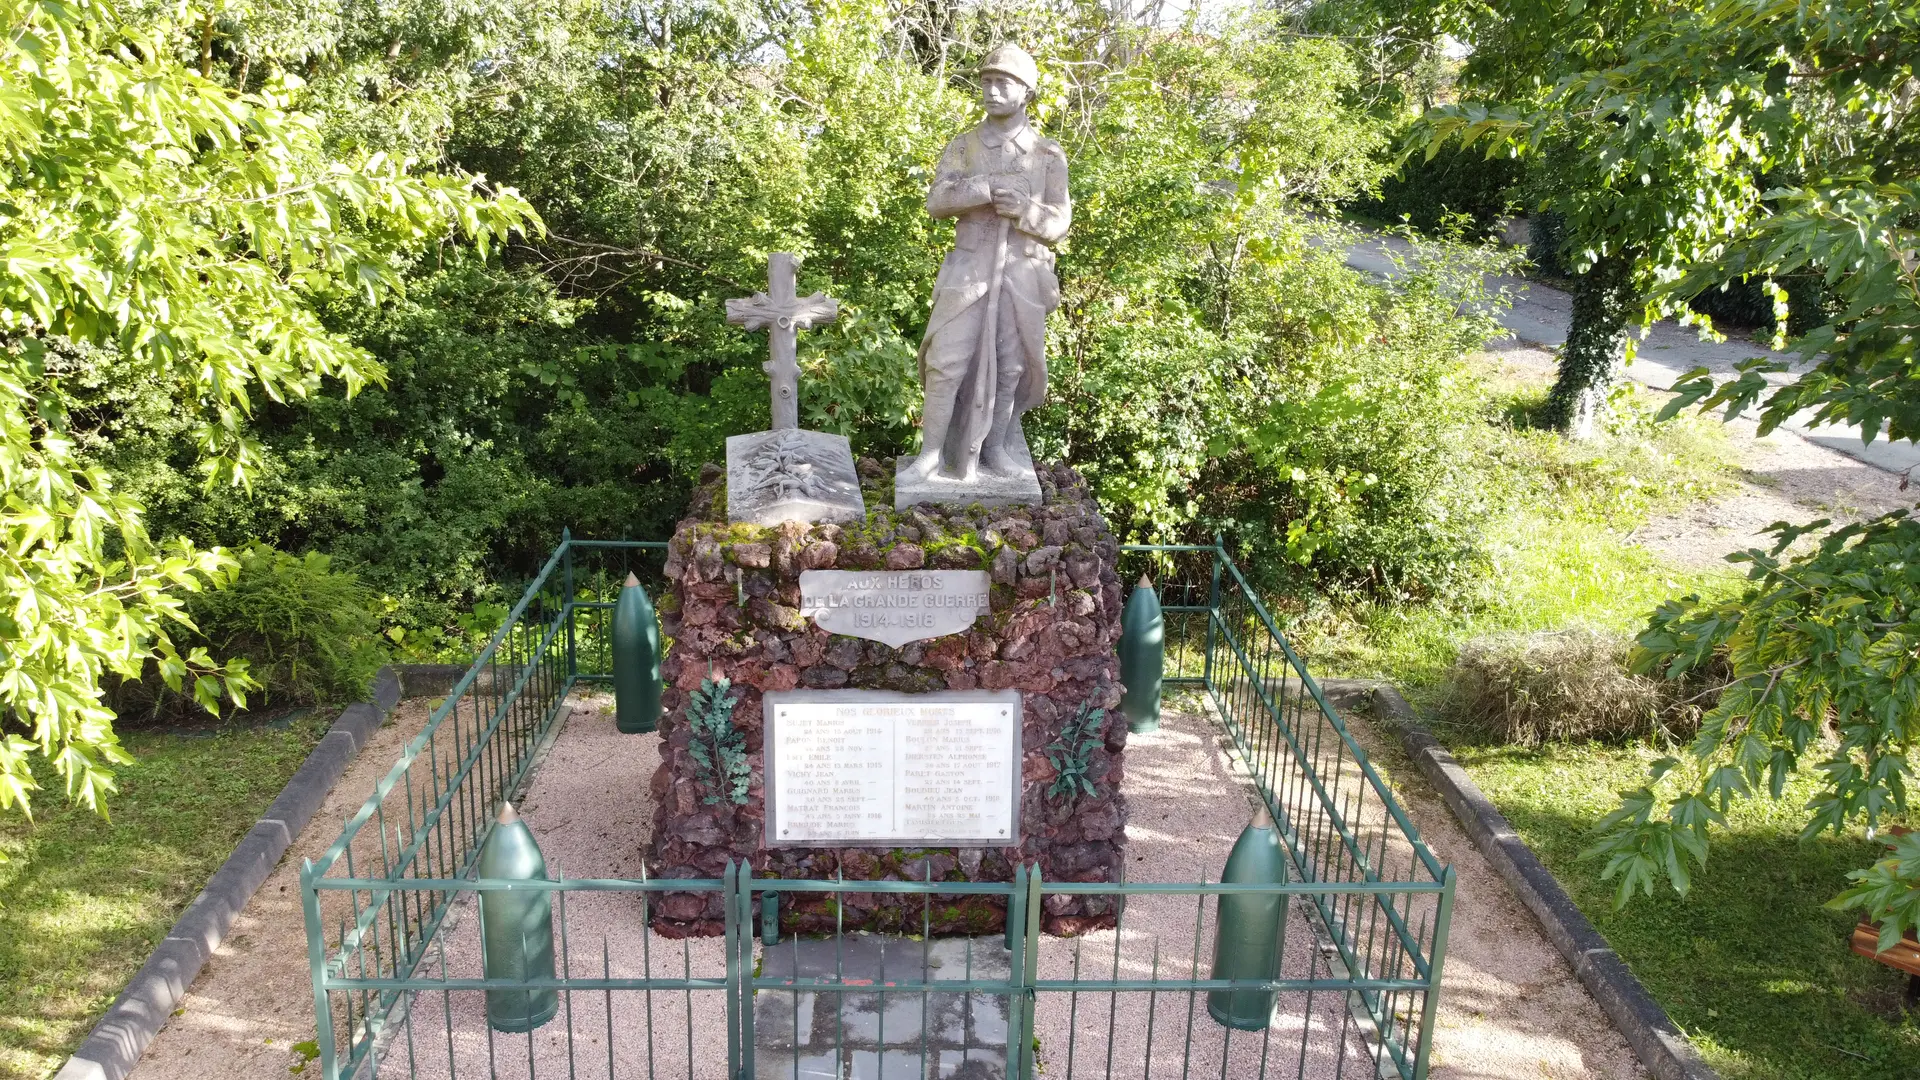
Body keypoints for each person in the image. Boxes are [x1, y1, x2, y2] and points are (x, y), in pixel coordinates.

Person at [904, 44, 1071, 484]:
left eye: (1003, 83)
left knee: (1012, 368)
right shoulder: (964, 145)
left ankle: (995, 449)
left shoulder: (1047, 154)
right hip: (970, 269)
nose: (992, 91)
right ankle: (931, 455)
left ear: (1026, 92)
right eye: (987, 82)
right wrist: (983, 188)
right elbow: (937, 202)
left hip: (1022, 274)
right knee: (945, 361)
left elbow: (1059, 223)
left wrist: (1025, 211)